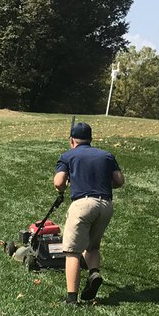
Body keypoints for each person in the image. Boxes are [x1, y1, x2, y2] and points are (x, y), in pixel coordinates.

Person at [53, 121, 124, 305]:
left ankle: (71, 299)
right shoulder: (106, 155)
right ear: (91, 139)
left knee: (72, 251)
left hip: (83, 204)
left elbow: (59, 182)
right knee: (92, 246)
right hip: (106, 205)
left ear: (72, 140)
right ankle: (93, 272)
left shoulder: (68, 156)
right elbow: (119, 180)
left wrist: (63, 187)